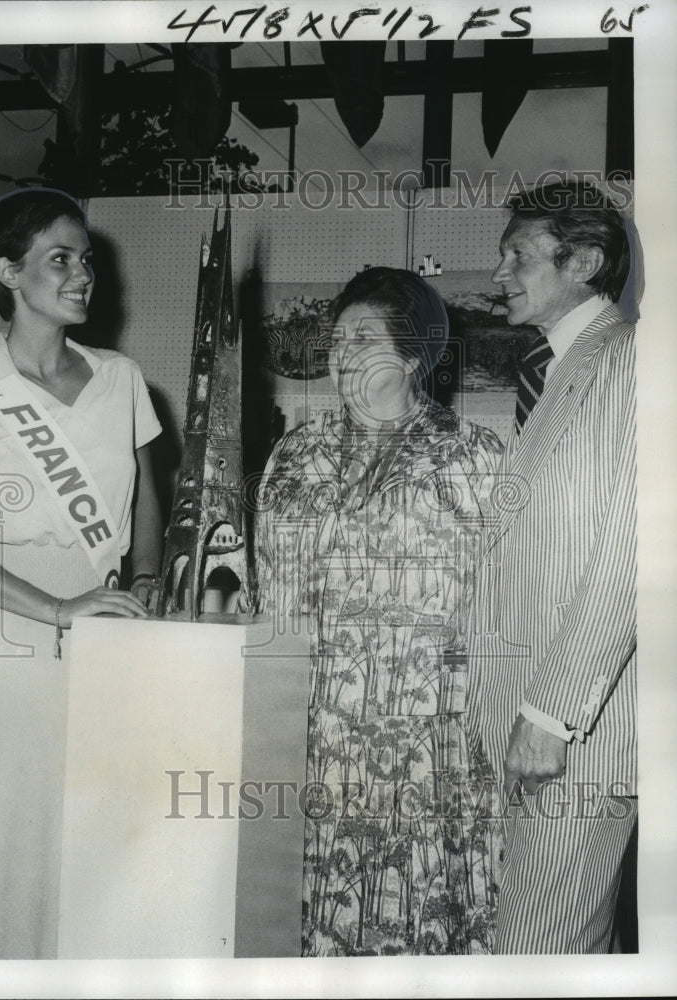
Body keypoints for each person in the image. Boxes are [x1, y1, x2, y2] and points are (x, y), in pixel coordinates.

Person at [0, 188, 163, 958]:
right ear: (8, 272)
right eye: (60, 258)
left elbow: (148, 509)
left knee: (89, 840)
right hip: (0, 644)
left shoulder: (122, 378)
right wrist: (61, 610)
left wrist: (146, 592)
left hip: (105, 636)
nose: (82, 273)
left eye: (86, 258)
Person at [254, 267, 504, 955]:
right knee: (318, 908)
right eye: (337, 338)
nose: (341, 352)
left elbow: (503, 597)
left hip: (430, 731)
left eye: (364, 337)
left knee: (423, 902)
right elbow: (270, 586)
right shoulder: (295, 455)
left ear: (415, 353)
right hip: (319, 723)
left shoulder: (472, 456)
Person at [467, 180, 637, 953]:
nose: (498, 273)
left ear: (587, 261)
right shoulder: (558, 368)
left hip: (575, 727)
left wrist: (550, 713)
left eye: (518, 256)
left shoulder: (628, 364)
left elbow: (630, 557)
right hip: (530, 715)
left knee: (538, 950)